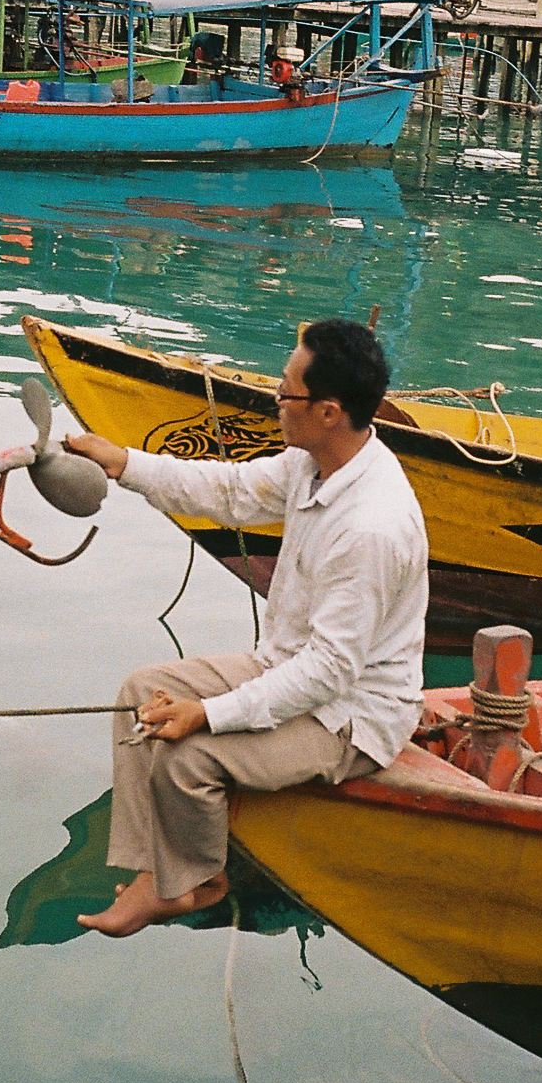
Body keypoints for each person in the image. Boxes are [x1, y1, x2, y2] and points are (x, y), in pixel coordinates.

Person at [66, 318, 428, 937]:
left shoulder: (372, 526)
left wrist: (206, 714)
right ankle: (156, 870)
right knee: (140, 691)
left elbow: (329, 673)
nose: (275, 400)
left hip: (351, 715)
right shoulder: (315, 463)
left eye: (286, 392)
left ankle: (200, 880)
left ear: (329, 411)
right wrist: (122, 463)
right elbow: (229, 490)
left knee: (189, 755)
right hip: (288, 666)